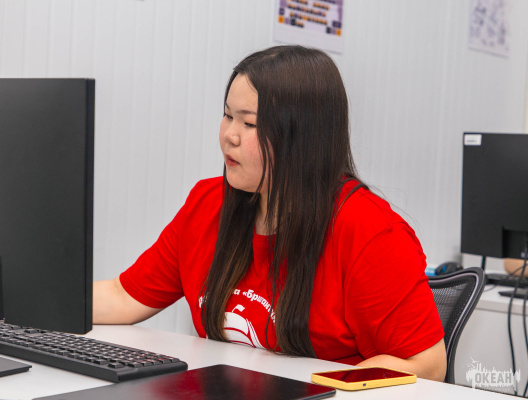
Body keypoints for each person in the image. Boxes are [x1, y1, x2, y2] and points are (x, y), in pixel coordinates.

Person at [95, 45, 446, 380]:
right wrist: (58, 298)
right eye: (228, 116)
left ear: (303, 138)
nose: (229, 136)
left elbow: (426, 364)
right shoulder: (208, 202)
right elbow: (123, 297)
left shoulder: (369, 230)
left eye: (249, 124)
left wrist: (317, 386)